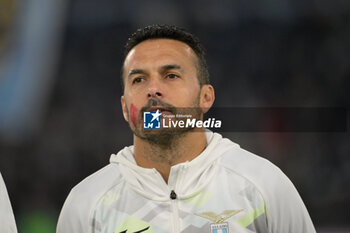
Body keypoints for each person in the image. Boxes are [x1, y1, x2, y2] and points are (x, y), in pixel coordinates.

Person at [57, 24, 316, 233]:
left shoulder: (264, 187)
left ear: (206, 97)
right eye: (139, 79)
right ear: (125, 108)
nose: (153, 89)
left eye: (171, 75)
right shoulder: (86, 204)